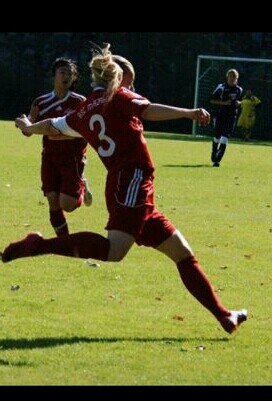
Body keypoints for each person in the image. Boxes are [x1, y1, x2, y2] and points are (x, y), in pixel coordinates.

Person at [5, 44, 247, 335]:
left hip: (130, 186)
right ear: (117, 76)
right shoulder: (117, 96)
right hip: (130, 182)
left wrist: (30, 127)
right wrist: (189, 113)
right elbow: (147, 110)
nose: (132, 86)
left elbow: (54, 126)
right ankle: (38, 245)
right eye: (129, 80)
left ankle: (224, 316)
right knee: (115, 250)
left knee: (182, 253)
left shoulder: (83, 110)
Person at [26, 58, 93, 237]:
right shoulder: (40, 102)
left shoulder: (80, 102)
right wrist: (23, 124)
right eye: (62, 72)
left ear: (73, 79)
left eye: (70, 74)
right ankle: (64, 242)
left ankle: (82, 186)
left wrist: (57, 133)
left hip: (73, 158)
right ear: (54, 76)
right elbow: (30, 129)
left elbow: (86, 130)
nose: (66, 76)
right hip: (50, 158)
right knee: (52, 201)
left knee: (67, 204)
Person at [210, 69, 243, 167]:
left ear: (237, 78)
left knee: (225, 138)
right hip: (220, 115)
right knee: (217, 137)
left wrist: (239, 103)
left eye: (234, 77)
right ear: (227, 77)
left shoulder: (239, 89)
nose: (232, 79)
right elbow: (212, 100)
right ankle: (214, 150)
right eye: (231, 76)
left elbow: (240, 101)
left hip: (231, 116)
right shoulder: (221, 87)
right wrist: (224, 103)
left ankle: (217, 161)